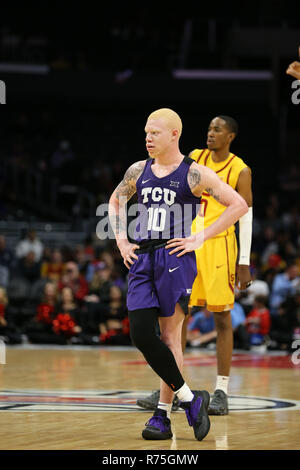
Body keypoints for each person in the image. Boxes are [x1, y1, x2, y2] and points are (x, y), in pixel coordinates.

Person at [109, 108, 248, 441]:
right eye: (145, 132)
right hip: (142, 257)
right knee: (141, 334)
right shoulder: (138, 170)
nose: (147, 138)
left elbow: (238, 205)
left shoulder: (193, 173)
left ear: (174, 135)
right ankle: (189, 399)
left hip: (174, 258)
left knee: (171, 338)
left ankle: (162, 415)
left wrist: (201, 236)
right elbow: (115, 202)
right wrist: (121, 240)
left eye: (154, 132)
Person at [138, 115, 253, 416]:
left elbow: (245, 210)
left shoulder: (240, 168)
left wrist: (244, 259)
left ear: (231, 136)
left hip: (220, 244)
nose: (210, 133)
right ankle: (175, 387)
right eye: (209, 128)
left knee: (222, 318)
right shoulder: (193, 159)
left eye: (218, 129)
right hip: (184, 243)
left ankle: (222, 390)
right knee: (177, 319)